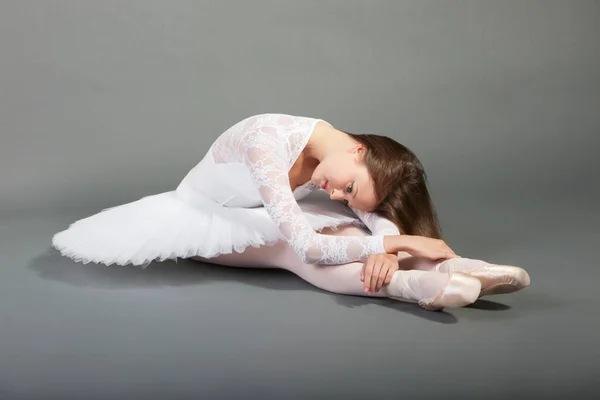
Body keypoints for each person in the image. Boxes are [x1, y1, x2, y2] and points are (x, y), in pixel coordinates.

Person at [52, 113, 530, 311]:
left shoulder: (335, 160)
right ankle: (410, 287)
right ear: (361, 150)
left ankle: (458, 266)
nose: (337, 192)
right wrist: (397, 244)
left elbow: (365, 205)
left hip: (273, 204)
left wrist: (391, 234)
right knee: (294, 252)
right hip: (212, 218)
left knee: (349, 223)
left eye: (346, 192)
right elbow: (308, 244)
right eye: (348, 186)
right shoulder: (267, 145)